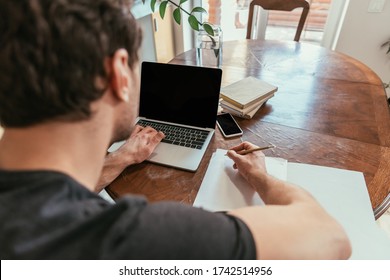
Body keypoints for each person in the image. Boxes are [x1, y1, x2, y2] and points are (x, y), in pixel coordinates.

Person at [0, 0, 351, 259]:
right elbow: (332, 239)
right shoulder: (142, 239)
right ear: (119, 73)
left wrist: (120, 160)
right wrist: (260, 178)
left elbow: (47, 198)